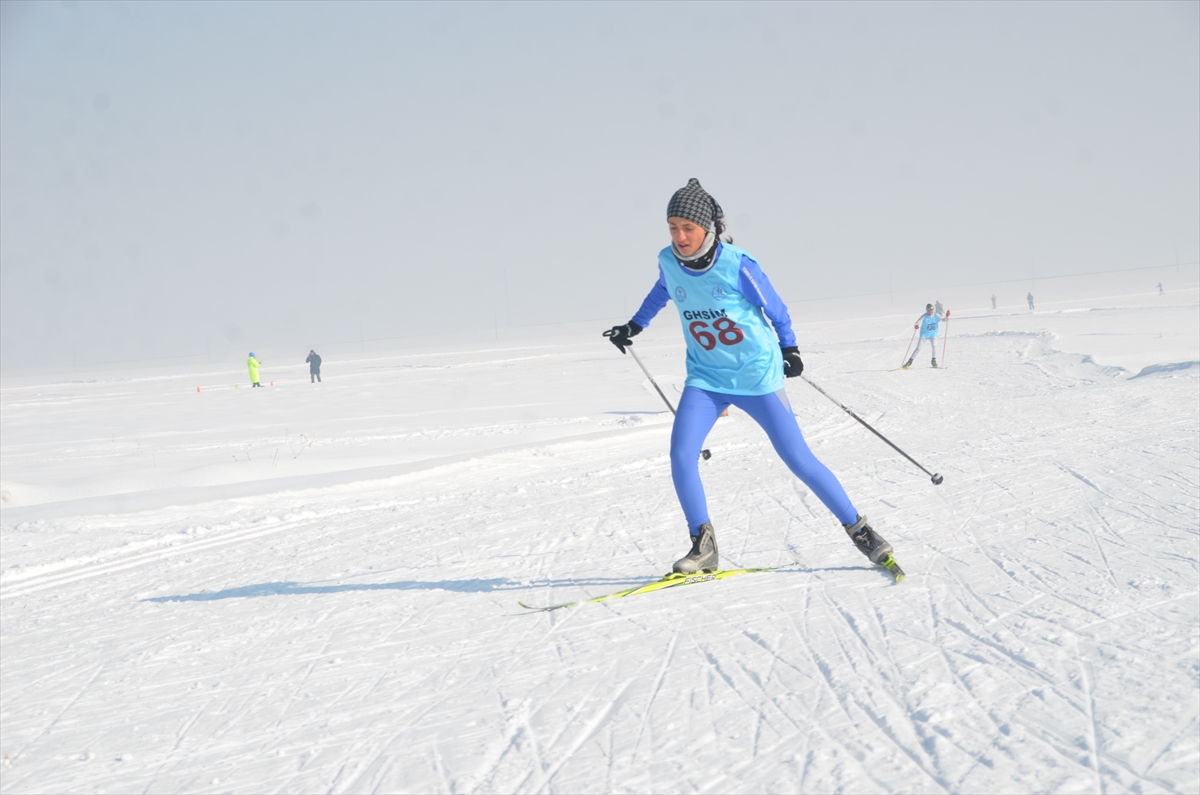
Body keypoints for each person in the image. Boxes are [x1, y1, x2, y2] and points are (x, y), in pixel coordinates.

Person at [603, 178, 894, 574]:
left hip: (757, 377)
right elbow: (663, 289)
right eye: (673, 227)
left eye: (688, 227)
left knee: (798, 459)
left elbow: (776, 310)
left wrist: (789, 348)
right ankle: (703, 545)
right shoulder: (669, 261)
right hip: (706, 379)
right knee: (681, 455)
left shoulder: (737, 264)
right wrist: (634, 326)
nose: (680, 235)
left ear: (708, 228)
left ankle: (860, 531)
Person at [903, 304, 946, 368]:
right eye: (928, 310)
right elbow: (918, 322)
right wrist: (916, 325)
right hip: (924, 335)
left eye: (931, 310)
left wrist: (947, 316)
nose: (930, 312)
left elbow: (944, 320)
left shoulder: (936, 315)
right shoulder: (924, 316)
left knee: (934, 346)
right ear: (927, 310)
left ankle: (933, 361)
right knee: (919, 348)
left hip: (933, 334)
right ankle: (909, 362)